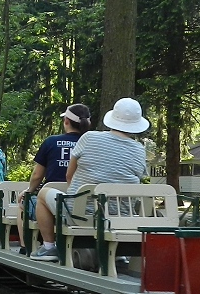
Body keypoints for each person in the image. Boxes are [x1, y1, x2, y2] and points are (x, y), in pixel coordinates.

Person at [32, 97, 148, 259]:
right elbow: (136, 179)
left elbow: (69, 175)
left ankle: (49, 246)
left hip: (81, 214)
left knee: (43, 194)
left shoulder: (89, 138)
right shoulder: (139, 150)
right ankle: (116, 254)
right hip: (119, 216)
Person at [28, 104, 91, 193]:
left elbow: (37, 175)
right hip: (82, 197)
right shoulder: (92, 144)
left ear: (66, 121)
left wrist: (28, 191)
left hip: (51, 196)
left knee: (22, 204)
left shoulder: (50, 141)